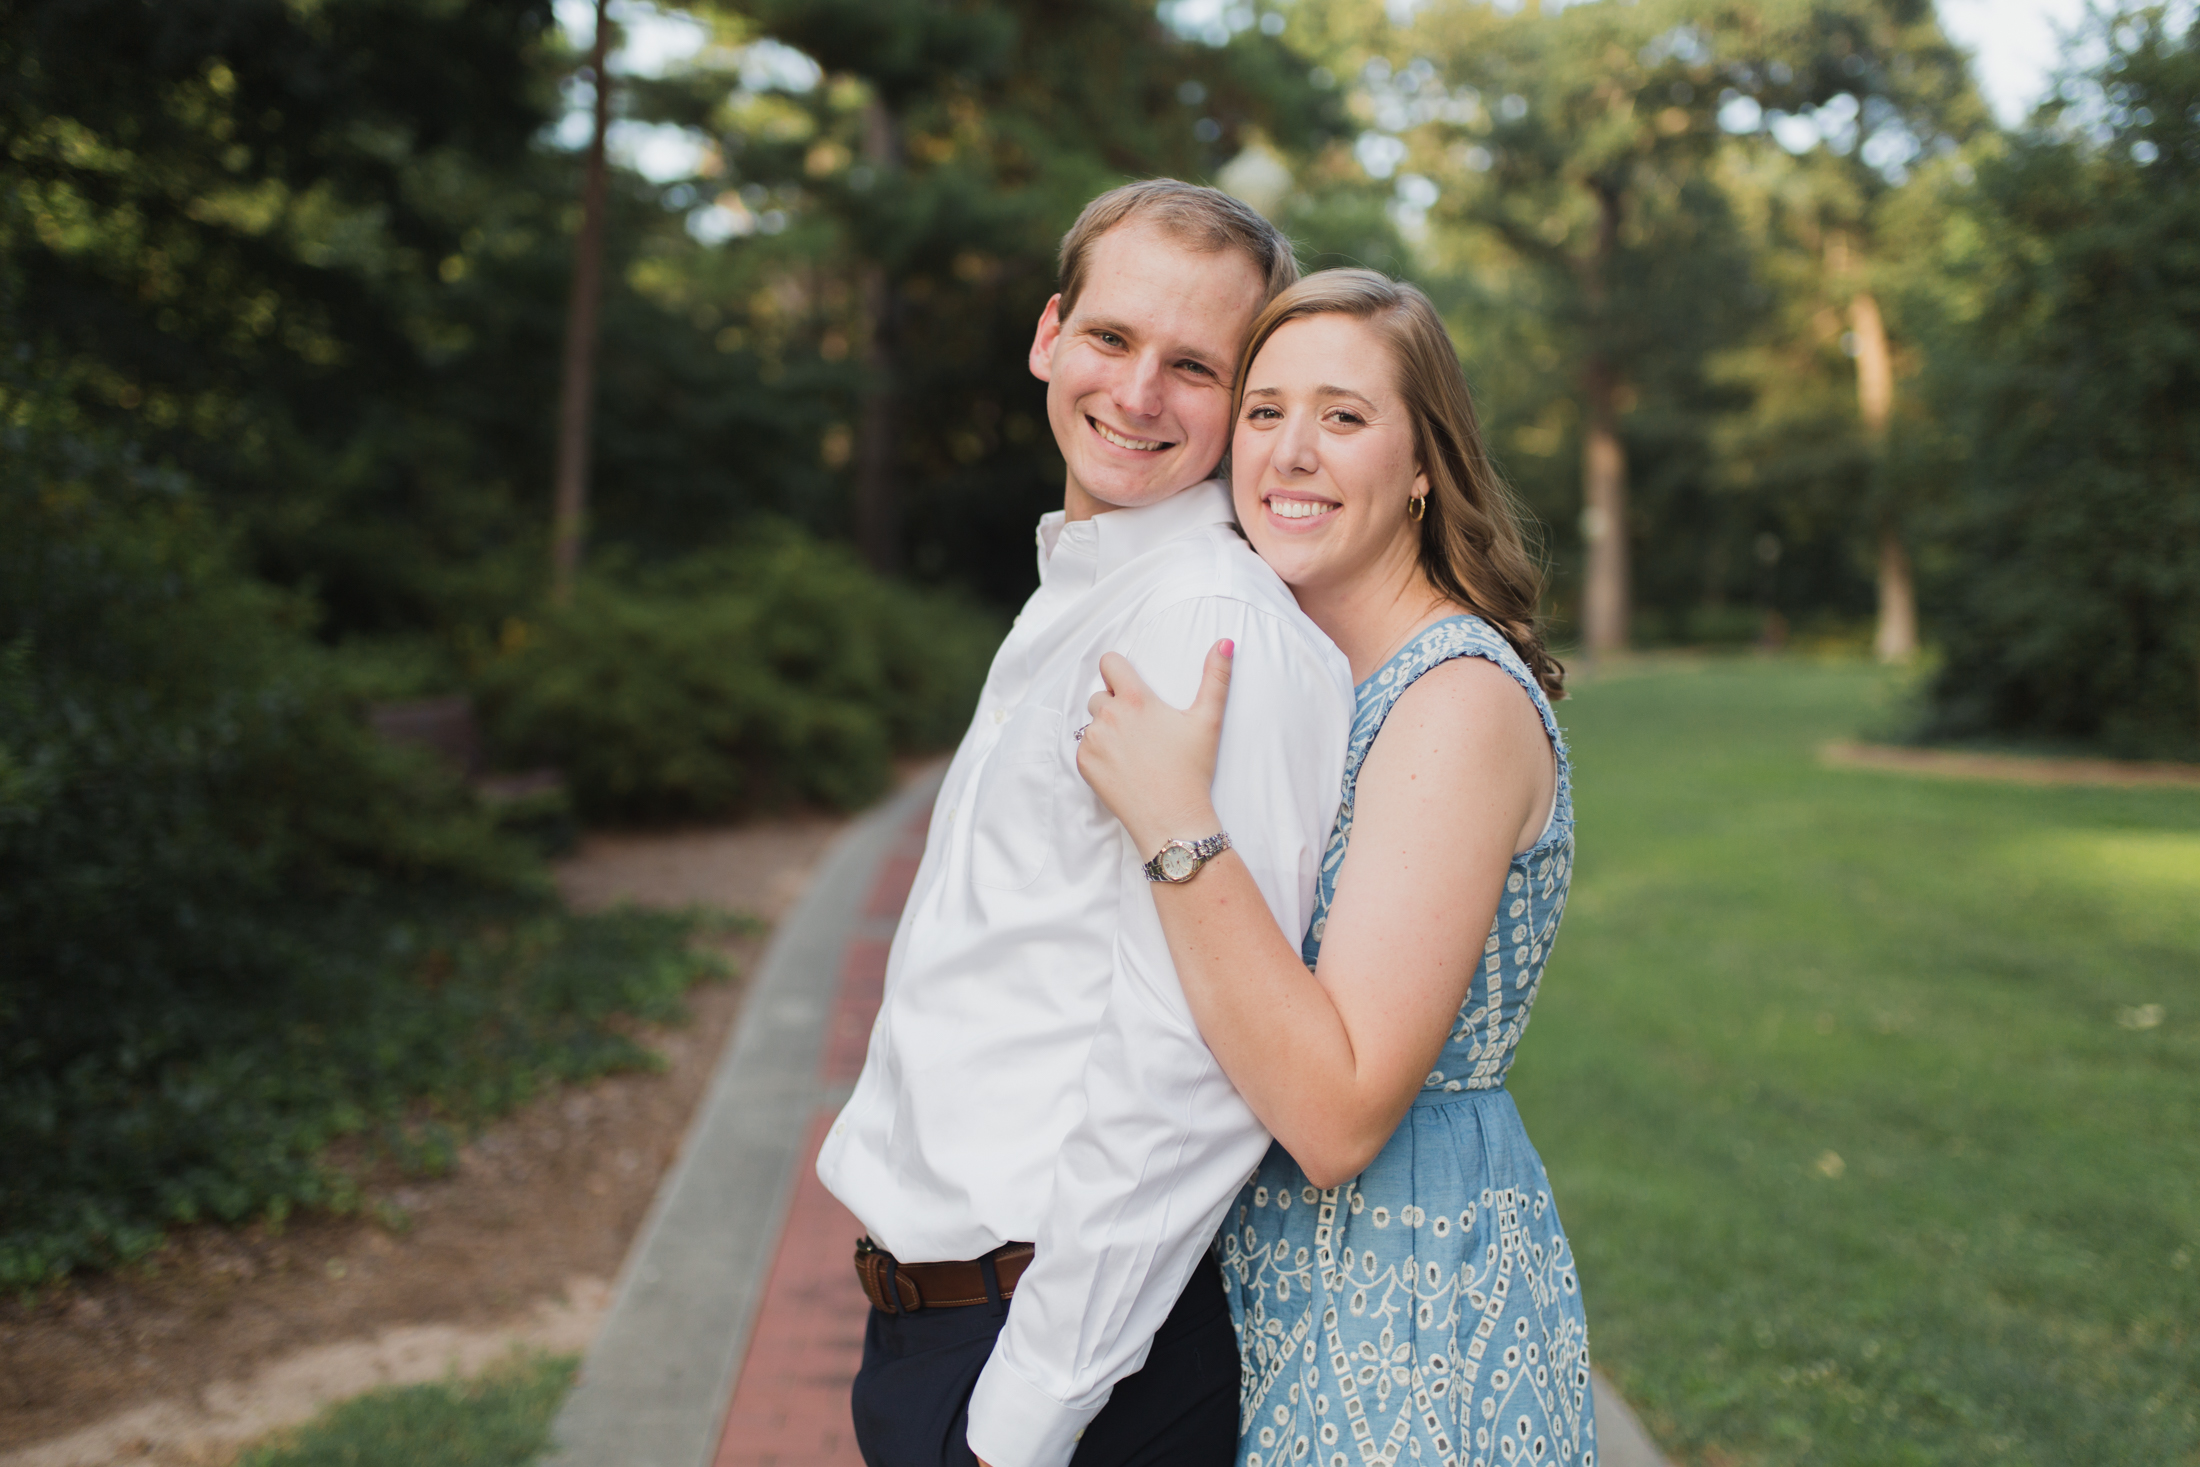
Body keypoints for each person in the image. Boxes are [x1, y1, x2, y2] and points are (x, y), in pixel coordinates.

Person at [815, 182, 1355, 1467]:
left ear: (1237, 404)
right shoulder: (1090, 584)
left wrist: (1023, 1418)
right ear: (1050, 334)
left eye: (1196, 366)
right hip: (946, 1332)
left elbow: (1193, 1063)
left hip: (1054, 1363)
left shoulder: (1198, 623)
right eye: (1113, 340)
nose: (1140, 393)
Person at [1074, 269, 1596, 1467]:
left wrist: (1174, 825)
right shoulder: (1296, 674)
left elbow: (1337, 1114)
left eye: (1343, 417)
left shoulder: (1451, 701)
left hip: (1401, 1299)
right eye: (1264, 411)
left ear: (1424, 465)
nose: (1291, 453)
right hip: (1249, 1283)